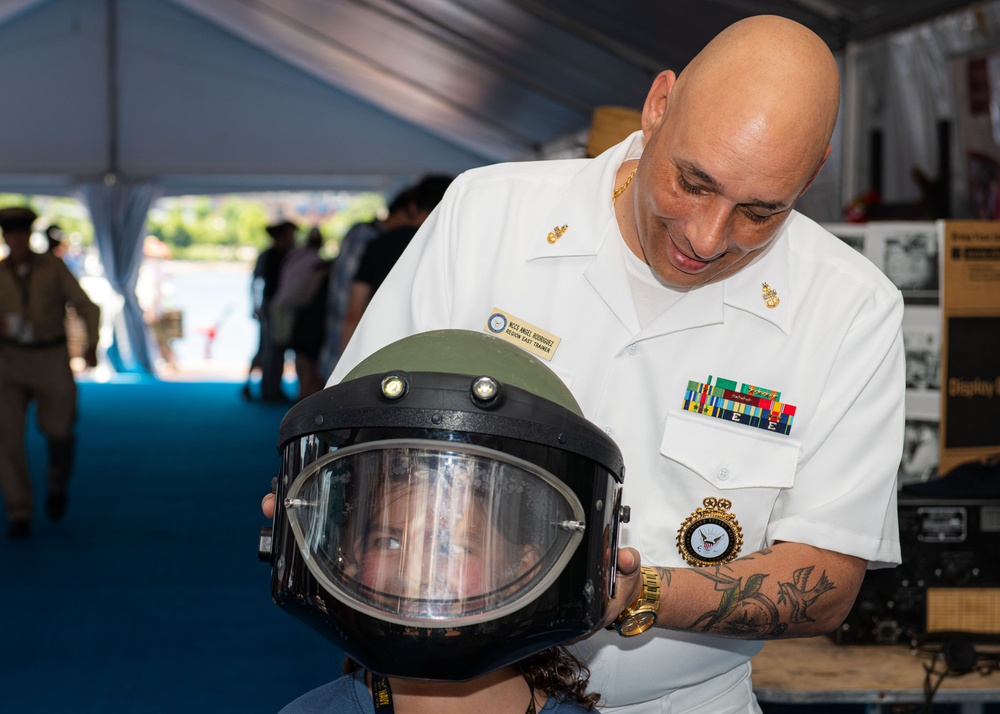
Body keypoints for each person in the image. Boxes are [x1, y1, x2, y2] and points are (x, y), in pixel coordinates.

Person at [266, 15, 905, 713]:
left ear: (814, 173)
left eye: (759, 212)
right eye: (692, 182)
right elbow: (359, 441)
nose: (708, 235)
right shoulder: (488, 218)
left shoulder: (849, 308)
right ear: (658, 107)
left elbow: (827, 579)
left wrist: (635, 592)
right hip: (443, 696)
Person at [0, 206, 100, 539]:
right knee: (6, 437)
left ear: (28, 235)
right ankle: (19, 511)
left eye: (20, 233)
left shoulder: (53, 268)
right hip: (10, 360)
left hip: (51, 357)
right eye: (8, 233)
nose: (15, 239)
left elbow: (86, 305)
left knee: (59, 430)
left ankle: (57, 483)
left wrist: (91, 344)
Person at [317, 175, 453, 379]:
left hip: (377, 355)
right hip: (432, 360)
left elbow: (353, 311)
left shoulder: (379, 245)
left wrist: (344, 371)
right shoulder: (451, 249)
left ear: (413, 207)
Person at [273, 226, 330, 400]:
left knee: (295, 355)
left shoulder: (295, 255)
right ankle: (304, 396)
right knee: (307, 359)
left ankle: (299, 394)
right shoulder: (318, 263)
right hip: (302, 314)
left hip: (284, 308)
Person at [245, 219, 297, 403]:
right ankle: (268, 388)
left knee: (272, 347)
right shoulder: (270, 256)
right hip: (271, 306)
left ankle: (266, 386)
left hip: (279, 306)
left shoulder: (289, 255)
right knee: (270, 347)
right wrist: (256, 306)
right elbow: (256, 282)